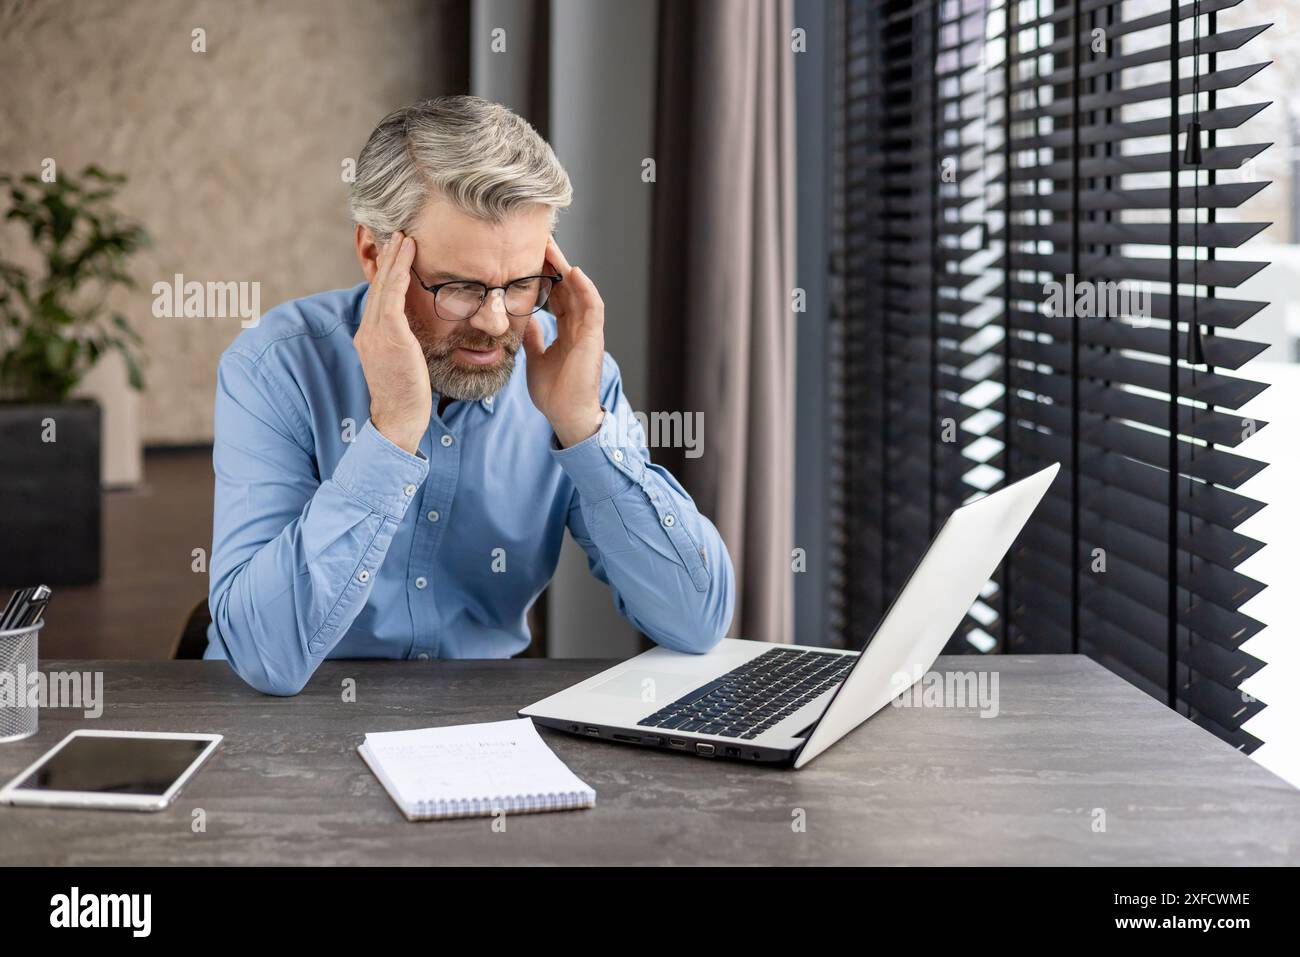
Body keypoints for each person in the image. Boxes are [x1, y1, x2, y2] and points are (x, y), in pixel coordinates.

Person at [204, 95, 735, 694]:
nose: (493, 321)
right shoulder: (276, 366)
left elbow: (696, 622)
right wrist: (393, 432)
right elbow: (262, 657)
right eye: (460, 287)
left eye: (520, 284)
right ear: (375, 255)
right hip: (283, 730)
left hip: (481, 734)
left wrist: (583, 427)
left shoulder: (571, 375)